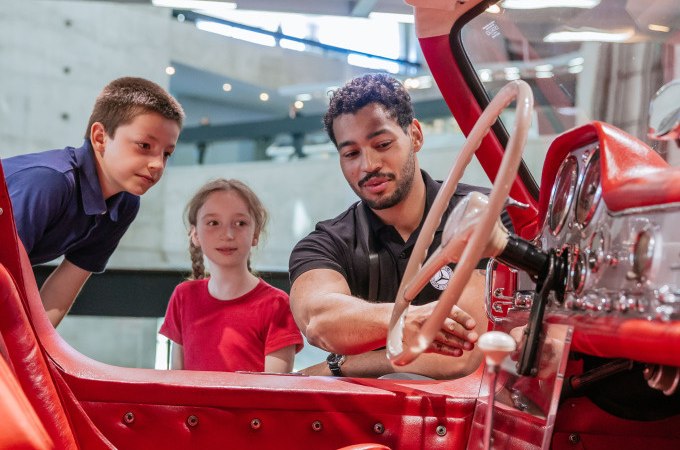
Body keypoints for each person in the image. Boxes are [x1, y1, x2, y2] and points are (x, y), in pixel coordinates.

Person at [289, 73, 512, 379]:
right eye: (351, 153)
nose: (368, 165)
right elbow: (319, 321)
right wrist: (406, 322)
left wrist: (339, 365)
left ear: (416, 135)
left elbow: (462, 356)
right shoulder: (324, 243)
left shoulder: (488, 215)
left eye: (382, 144)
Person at [2, 77, 184, 327]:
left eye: (167, 153)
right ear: (100, 137)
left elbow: (60, 291)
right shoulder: (50, 182)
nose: (157, 164)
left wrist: (33, 356)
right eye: (144, 145)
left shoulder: (125, 204)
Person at [160, 179, 303, 373]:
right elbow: (176, 380)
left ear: (256, 234)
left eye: (240, 223)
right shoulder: (183, 296)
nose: (227, 234)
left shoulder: (276, 304)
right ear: (195, 234)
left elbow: (275, 392)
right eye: (213, 223)